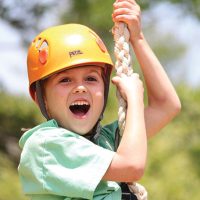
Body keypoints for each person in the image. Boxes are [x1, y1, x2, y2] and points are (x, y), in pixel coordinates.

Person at [18, 0, 181, 200]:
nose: (80, 87)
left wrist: (138, 39)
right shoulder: (44, 146)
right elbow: (131, 167)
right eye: (65, 80)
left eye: (91, 78)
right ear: (40, 97)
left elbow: (167, 106)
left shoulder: (105, 142)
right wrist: (136, 100)